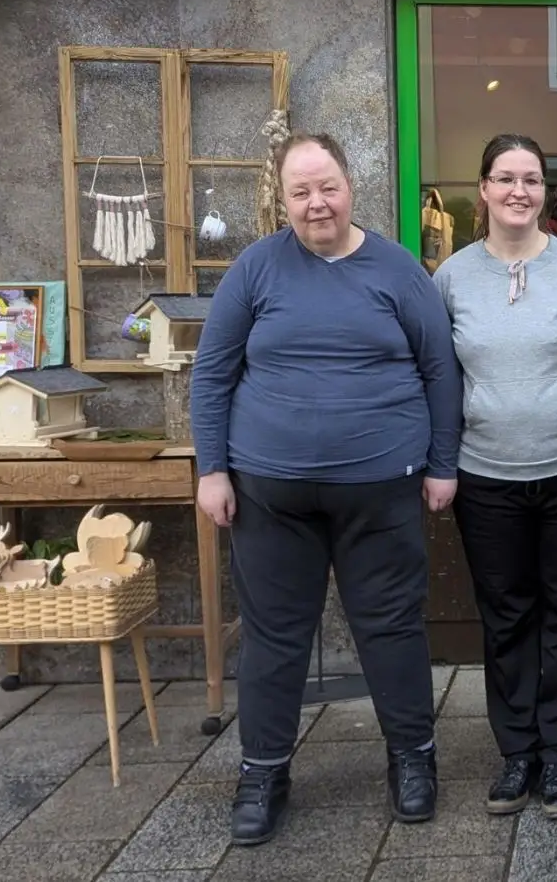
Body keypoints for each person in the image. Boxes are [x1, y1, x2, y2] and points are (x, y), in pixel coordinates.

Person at [191, 133, 461, 846]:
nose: (317, 203)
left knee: (391, 628)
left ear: (351, 186)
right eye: (301, 191)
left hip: (382, 489)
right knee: (275, 637)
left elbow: (440, 369)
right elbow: (213, 372)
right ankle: (263, 772)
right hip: (270, 495)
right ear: (282, 200)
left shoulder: (398, 269)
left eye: (328, 187)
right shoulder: (256, 268)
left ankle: (413, 759)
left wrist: (444, 463)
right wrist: (211, 469)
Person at [432, 134, 557, 820]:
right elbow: (440, 379)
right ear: (483, 189)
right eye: (506, 178)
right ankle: (517, 750)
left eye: (532, 179)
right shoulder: (451, 278)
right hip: (487, 477)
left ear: (546, 192)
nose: (520, 191)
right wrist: (441, 460)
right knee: (507, 614)